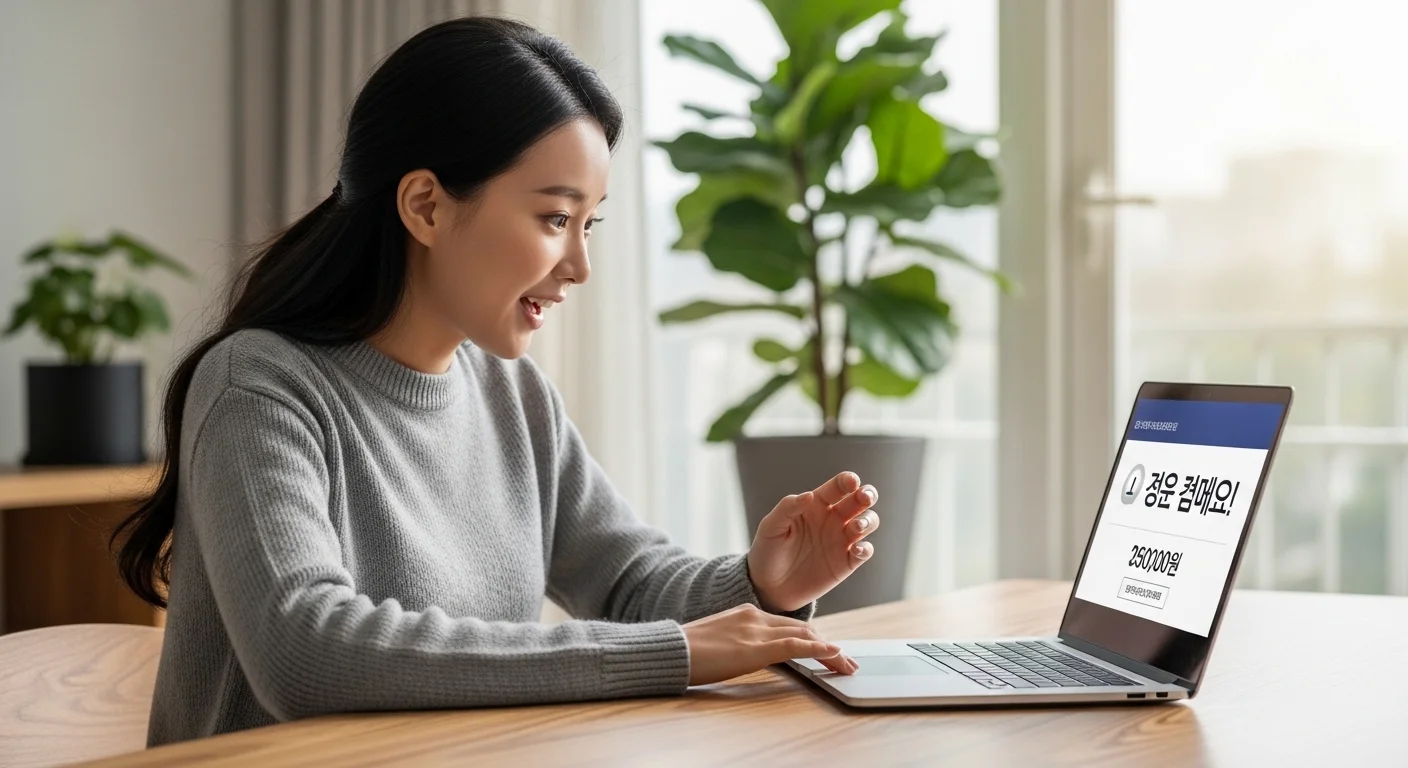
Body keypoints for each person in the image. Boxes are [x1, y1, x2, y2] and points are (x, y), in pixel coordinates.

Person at [111, 16, 881, 747]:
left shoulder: (514, 398)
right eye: (554, 219)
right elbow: (307, 649)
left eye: (591, 225)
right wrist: (669, 653)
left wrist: (757, 580)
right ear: (426, 206)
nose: (580, 266)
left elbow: (629, 579)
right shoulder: (259, 386)